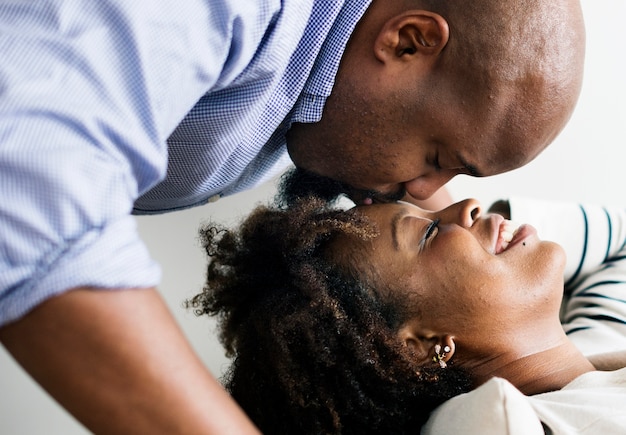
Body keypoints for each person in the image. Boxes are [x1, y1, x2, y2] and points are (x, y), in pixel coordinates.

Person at [0, 0, 586, 432]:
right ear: (407, 41)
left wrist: (485, 262)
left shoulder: (325, 93)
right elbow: (25, 184)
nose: (424, 191)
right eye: (436, 158)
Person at [187, 174, 626, 434]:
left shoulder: (604, 331)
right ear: (417, 348)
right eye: (430, 233)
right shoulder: (500, 421)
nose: (466, 204)